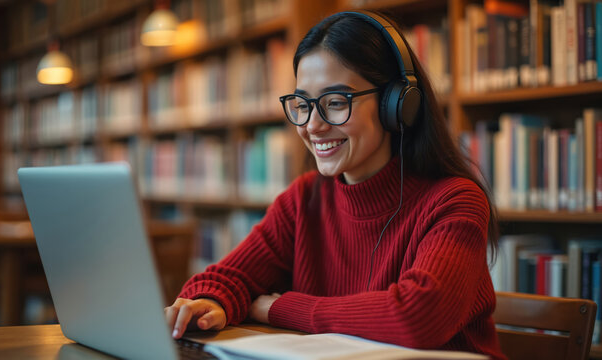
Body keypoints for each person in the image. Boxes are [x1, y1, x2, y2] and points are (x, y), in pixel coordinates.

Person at [165, 10, 505, 359]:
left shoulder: (455, 201)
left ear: (397, 105)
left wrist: (276, 308)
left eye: (336, 102)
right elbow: (225, 279)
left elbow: (418, 317)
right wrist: (206, 303)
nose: (313, 125)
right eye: (303, 104)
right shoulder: (303, 200)